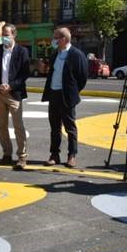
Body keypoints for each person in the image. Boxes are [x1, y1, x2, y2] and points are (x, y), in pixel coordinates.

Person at [41, 27, 88, 168]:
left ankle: (71, 155)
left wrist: (73, 91)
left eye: (56, 37)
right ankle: (54, 155)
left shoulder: (76, 54)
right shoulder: (55, 53)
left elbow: (82, 77)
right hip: (54, 94)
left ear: (64, 39)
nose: (53, 40)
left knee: (70, 127)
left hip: (67, 96)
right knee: (54, 127)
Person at [0, 23, 30, 170]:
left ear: (14, 34)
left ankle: (22, 156)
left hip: (14, 94)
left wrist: (10, 86)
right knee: (1, 127)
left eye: (7, 34)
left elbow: (24, 73)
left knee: (18, 126)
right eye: (2, 34)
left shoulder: (22, 51)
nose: (4, 37)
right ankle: (7, 153)